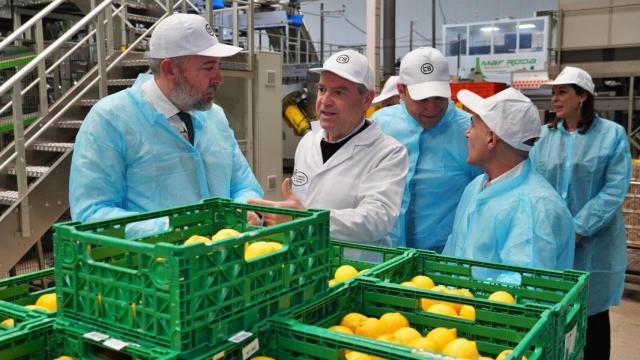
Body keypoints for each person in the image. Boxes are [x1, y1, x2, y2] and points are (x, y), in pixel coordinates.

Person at [69, 13, 263, 231]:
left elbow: (244, 185)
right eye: (209, 68)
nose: (219, 78)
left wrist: (243, 209)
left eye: (218, 66)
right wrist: (175, 228)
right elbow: (92, 213)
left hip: (219, 260)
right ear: (169, 69)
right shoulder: (111, 119)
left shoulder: (214, 117)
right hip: (151, 263)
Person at [250, 50, 408, 248]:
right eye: (322, 89)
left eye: (339, 92)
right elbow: (299, 204)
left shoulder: (388, 153)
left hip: (353, 268)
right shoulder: (308, 142)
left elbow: (376, 220)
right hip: (305, 261)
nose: (325, 100)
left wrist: (307, 220)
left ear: (366, 99)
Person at [530, 66, 631, 360]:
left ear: (583, 96)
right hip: (552, 242)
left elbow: (614, 189)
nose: (555, 99)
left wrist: (578, 227)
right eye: (553, 93)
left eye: (562, 92)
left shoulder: (612, 136)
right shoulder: (544, 137)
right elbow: (534, 184)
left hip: (594, 245)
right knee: (557, 313)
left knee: (593, 316)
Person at [443, 88, 575, 281]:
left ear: (491, 138)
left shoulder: (534, 207)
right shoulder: (476, 187)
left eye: (473, 125)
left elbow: (521, 292)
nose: (467, 133)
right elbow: (454, 251)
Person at [371, 47, 482, 250]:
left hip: (442, 261)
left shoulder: (471, 132)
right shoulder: (380, 125)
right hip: (385, 254)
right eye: (422, 100)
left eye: (439, 98)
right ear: (401, 91)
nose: (431, 108)